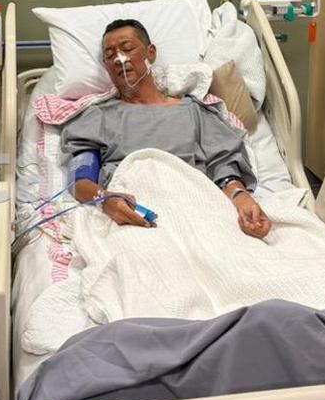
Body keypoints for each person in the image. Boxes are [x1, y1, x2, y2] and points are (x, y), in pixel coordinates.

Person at [61, 18, 271, 239]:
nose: (119, 59)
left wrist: (241, 198)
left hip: (197, 210)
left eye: (128, 48)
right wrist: (105, 199)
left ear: (151, 53)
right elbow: (80, 182)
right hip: (134, 214)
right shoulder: (98, 117)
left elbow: (225, 169)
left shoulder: (195, 111)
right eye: (110, 55)